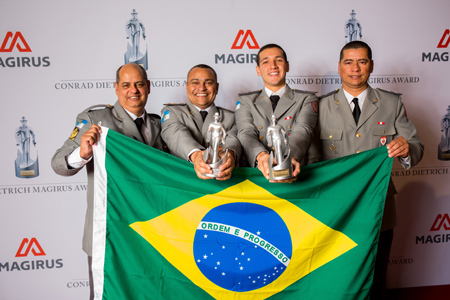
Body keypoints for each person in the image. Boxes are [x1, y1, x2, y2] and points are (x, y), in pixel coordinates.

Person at [318, 41, 424, 299]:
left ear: (372, 66)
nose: (355, 68)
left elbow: (418, 148)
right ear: (339, 67)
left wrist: (406, 148)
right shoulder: (319, 106)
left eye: (362, 62)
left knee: (375, 279)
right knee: (335, 276)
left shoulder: (392, 103)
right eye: (349, 62)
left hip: (379, 208)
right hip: (335, 209)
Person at [51, 62, 165, 300]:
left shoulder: (159, 123)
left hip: (151, 233)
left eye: (139, 84)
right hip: (109, 232)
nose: (133, 90)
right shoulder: (95, 119)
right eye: (126, 85)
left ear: (149, 87)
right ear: (116, 88)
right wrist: (82, 153)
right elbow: (58, 164)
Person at [235, 43, 319, 182]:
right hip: (259, 177)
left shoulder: (307, 98)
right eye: (266, 61)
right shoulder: (245, 101)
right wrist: (262, 156)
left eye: (278, 60)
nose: (273, 65)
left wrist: (289, 159)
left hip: (300, 175)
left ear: (287, 65)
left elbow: (303, 130)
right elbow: (246, 132)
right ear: (258, 69)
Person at [160, 64, 241, 180]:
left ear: (216, 87)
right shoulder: (172, 112)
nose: (202, 88)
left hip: (222, 185)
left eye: (208, 83)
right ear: (187, 87)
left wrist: (229, 155)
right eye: (195, 82)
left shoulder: (231, 117)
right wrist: (196, 155)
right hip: (183, 183)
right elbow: (176, 135)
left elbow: (233, 140)